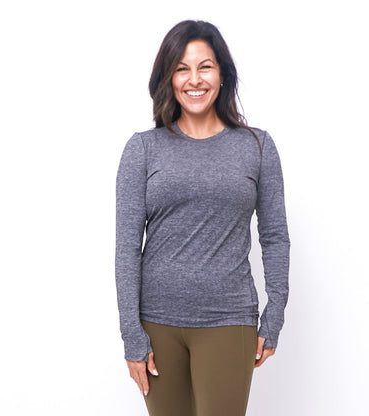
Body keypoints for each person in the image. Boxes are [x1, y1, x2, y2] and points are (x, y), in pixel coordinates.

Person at [115, 19, 291, 416]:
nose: (194, 79)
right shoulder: (142, 150)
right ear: (169, 79)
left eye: (205, 67)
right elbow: (127, 248)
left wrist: (274, 315)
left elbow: (275, 236)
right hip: (156, 325)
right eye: (182, 69)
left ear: (222, 74)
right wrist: (131, 335)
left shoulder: (257, 146)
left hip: (228, 320)